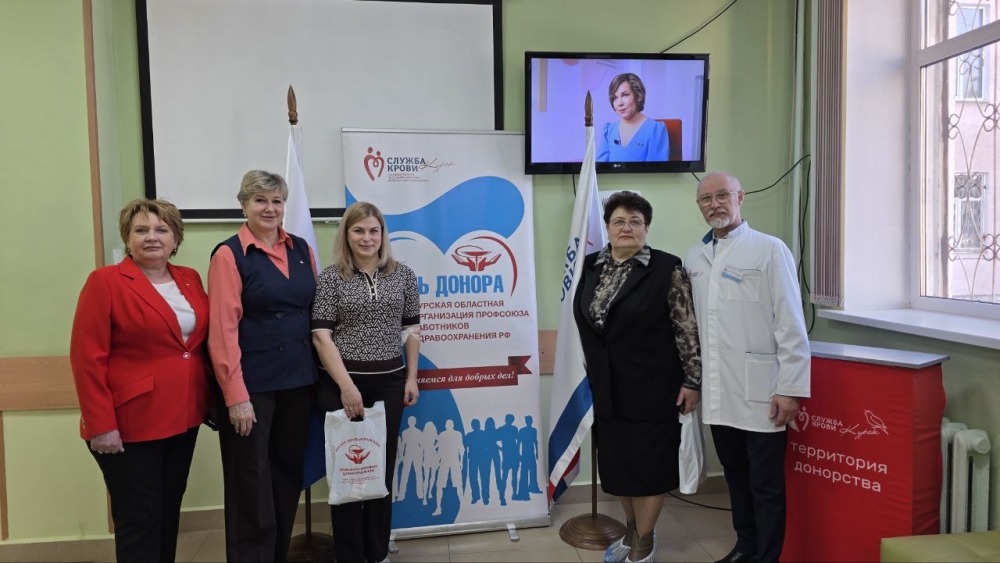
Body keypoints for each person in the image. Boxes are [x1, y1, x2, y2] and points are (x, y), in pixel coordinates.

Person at [70, 199, 210, 563]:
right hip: (130, 423)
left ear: (175, 238)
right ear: (127, 238)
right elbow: (87, 359)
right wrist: (101, 425)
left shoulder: (190, 278)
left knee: (167, 511)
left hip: (184, 417)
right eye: (141, 230)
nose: (152, 237)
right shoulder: (105, 282)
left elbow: (197, 345)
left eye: (162, 229)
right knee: (139, 520)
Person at [684, 172, 810, 563]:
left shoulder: (770, 250)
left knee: (765, 484)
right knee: (735, 476)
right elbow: (693, 327)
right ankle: (746, 546)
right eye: (706, 199)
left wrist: (790, 388)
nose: (714, 205)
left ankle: (767, 557)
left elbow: (790, 323)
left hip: (763, 391)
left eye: (722, 195)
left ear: (740, 197)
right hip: (719, 390)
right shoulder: (694, 257)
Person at [574, 191, 702, 563]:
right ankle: (632, 532)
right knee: (618, 468)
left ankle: (644, 544)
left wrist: (692, 380)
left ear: (646, 227)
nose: (626, 227)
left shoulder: (666, 267)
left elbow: (686, 329)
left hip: (653, 388)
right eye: (619, 221)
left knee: (648, 468)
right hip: (606, 389)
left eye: (635, 221)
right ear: (607, 227)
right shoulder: (589, 266)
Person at [208, 170, 319, 562]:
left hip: (298, 381)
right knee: (250, 481)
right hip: (251, 387)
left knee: (287, 474)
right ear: (244, 205)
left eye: (276, 201)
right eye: (260, 201)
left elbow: (313, 312)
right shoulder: (229, 254)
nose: (269, 209)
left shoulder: (301, 248)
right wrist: (235, 395)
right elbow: (222, 330)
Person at [311, 201, 421, 563]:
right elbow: (321, 336)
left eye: (374, 230)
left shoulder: (403, 275)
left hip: (389, 384)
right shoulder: (331, 277)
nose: (367, 238)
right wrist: (347, 387)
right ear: (346, 234)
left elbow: (411, 330)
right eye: (358, 230)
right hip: (340, 386)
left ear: (383, 234)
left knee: (380, 470)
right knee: (346, 471)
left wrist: (411, 377)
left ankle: (377, 552)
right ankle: (349, 554)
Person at [597, 73, 669, 163]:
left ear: (639, 96)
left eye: (625, 95)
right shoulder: (608, 131)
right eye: (615, 98)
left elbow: (655, 170)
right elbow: (601, 168)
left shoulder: (655, 130)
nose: (620, 103)